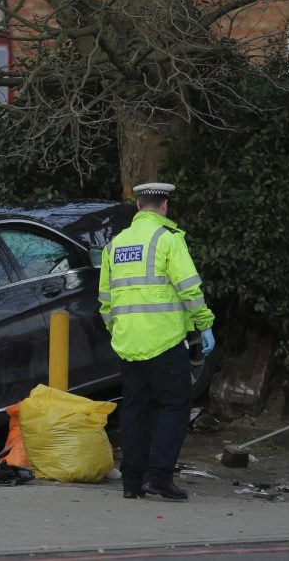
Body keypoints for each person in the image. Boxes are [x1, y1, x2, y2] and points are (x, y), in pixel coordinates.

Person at [99, 182, 215, 501]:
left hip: (127, 344)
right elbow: (189, 288)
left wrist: (119, 331)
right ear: (164, 206)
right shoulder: (168, 239)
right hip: (164, 341)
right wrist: (204, 325)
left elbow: (105, 302)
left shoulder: (115, 245)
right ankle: (160, 476)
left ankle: (131, 482)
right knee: (175, 404)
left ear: (138, 207)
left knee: (135, 409)